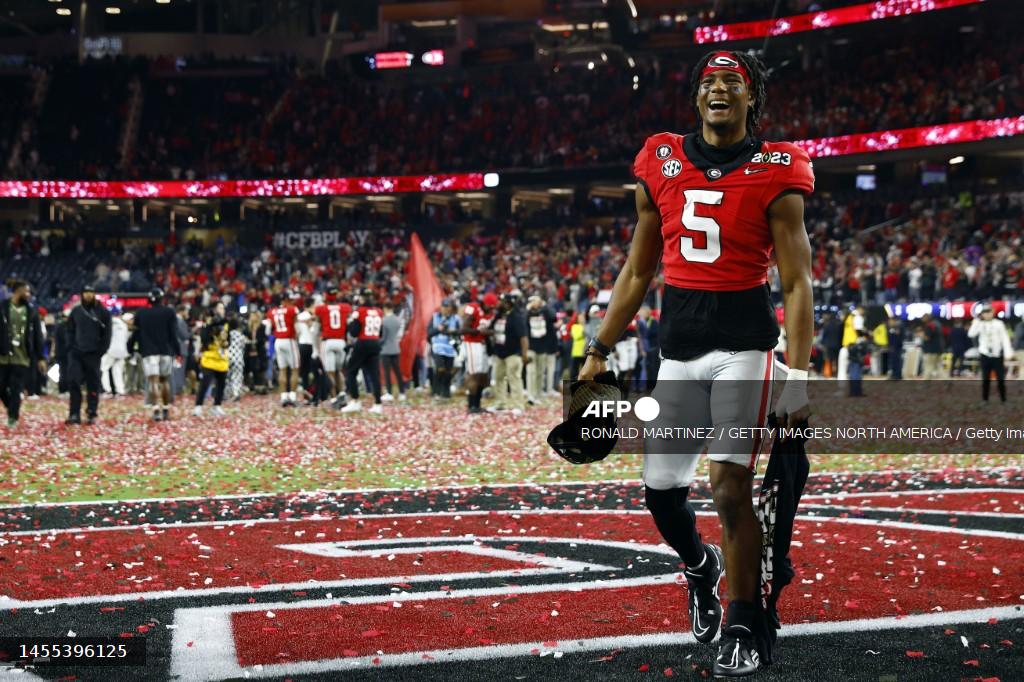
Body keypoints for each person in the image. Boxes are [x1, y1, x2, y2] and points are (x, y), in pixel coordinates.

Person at [578, 50, 814, 677]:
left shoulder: (777, 166)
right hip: (679, 349)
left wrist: (797, 375)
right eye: (708, 82)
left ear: (750, 99)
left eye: (731, 83)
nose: (718, 90)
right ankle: (698, 565)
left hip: (746, 346)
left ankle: (744, 622)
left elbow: (796, 283)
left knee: (730, 482)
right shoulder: (659, 159)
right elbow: (636, 269)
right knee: (661, 496)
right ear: (695, 98)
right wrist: (597, 349)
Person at [0, 280, 46, 429]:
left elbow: (38, 335)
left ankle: (13, 417)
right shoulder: (2, 308)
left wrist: (40, 357)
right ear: (17, 291)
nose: (28, 295)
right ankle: (11, 407)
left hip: (23, 357)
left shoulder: (32, 311)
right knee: (1, 387)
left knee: (16, 388)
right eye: (26, 291)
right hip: (3, 355)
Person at [66, 284, 112, 425]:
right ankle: (74, 413)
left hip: (93, 354)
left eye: (91, 292)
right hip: (77, 354)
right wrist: (72, 347)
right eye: (86, 292)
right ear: (81, 294)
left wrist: (100, 351)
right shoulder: (76, 312)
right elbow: (70, 331)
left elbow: (107, 334)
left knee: (93, 384)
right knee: (74, 382)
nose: (88, 295)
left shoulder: (103, 312)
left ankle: (92, 411)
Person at [133, 288, 180, 421]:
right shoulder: (169, 312)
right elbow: (173, 334)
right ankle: (165, 409)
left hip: (148, 351)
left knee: (153, 381)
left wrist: (130, 347)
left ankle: (155, 410)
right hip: (165, 350)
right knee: (164, 381)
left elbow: (136, 333)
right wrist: (177, 351)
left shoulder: (141, 313)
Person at [340, 289, 384, 415]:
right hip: (375, 343)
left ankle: (355, 401)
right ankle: (377, 404)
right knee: (374, 375)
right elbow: (380, 332)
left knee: (350, 371)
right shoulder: (379, 312)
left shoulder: (360, 312)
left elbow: (354, 332)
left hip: (363, 342)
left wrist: (350, 323)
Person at [488, 292, 529, 416]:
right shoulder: (498, 316)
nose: (499, 304)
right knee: (498, 377)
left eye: (501, 301)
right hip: (500, 352)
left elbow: (523, 337)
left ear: (508, 304)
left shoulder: (516, 317)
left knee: (514, 378)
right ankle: (501, 403)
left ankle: (518, 405)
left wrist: (524, 354)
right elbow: (491, 329)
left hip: (513, 352)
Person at [460, 292, 497, 415]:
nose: (491, 309)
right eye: (490, 306)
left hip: (483, 345)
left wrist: (489, 333)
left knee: (483, 376)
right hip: (471, 343)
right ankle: (471, 405)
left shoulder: (490, 313)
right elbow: (464, 328)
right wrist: (480, 331)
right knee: (474, 374)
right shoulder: (473, 308)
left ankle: (477, 404)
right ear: (484, 303)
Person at [968, 303, 1013, 404]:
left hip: (997, 354)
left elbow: (1005, 339)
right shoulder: (980, 323)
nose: (987, 314)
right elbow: (971, 334)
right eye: (984, 312)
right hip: (985, 354)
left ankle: (1003, 399)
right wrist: (977, 321)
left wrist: (1008, 353)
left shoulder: (999, 323)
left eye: (988, 312)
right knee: (985, 379)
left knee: (1000, 378)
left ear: (992, 312)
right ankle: (985, 399)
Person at [313, 289, 350, 405]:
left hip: (328, 341)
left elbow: (316, 329)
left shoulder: (321, 309)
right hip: (341, 341)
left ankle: (334, 398)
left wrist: (315, 348)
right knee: (339, 370)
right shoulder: (345, 307)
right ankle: (342, 393)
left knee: (330, 372)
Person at [266, 294, 301, 407]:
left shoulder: (272, 312)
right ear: (285, 300)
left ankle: (283, 397)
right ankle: (292, 396)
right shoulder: (292, 310)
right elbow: (297, 329)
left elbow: (268, 330)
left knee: (282, 369)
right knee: (295, 369)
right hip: (289, 340)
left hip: (278, 341)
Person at [193, 318, 229, 417]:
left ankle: (217, 406)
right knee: (204, 384)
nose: (225, 334)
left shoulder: (225, 338)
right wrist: (209, 324)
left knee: (221, 386)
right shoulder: (209, 336)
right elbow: (204, 336)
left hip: (222, 363)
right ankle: (198, 406)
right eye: (223, 332)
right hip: (209, 362)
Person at [525, 294, 557, 403]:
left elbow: (554, 317)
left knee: (540, 372)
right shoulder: (527, 313)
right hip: (530, 346)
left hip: (542, 346)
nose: (536, 303)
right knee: (531, 371)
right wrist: (528, 308)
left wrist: (545, 305)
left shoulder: (544, 312)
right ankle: (530, 395)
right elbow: (522, 320)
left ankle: (538, 393)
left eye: (538, 301)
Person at [428, 300, 460, 399]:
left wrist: (453, 332)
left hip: (449, 349)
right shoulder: (434, 317)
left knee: (448, 371)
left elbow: (459, 333)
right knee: (440, 369)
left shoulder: (455, 319)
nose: (446, 309)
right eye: (444, 307)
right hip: (437, 348)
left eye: (448, 307)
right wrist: (438, 329)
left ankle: (445, 391)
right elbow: (429, 333)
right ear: (441, 307)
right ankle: (435, 391)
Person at [379, 303, 407, 402]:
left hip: (386, 349)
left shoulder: (384, 320)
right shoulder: (397, 320)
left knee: (387, 372)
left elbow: (383, 337)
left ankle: (389, 393)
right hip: (395, 348)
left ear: (385, 308)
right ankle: (402, 392)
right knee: (397, 372)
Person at [100, 310, 130, 396]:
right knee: (118, 371)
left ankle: (107, 389)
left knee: (103, 368)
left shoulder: (109, 324)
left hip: (111, 350)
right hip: (122, 351)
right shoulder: (124, 325)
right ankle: (120, 390)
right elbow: (126, 338)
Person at [918, 313, 943, 378]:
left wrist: (921, 334)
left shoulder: (929, 325)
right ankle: (946, 381)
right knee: (939, 367)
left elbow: (927, 338)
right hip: (938, 349)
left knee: (928, 367)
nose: (922, 319)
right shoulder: (936, 324)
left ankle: (925, 385)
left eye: (923, 317)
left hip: (930, 350)